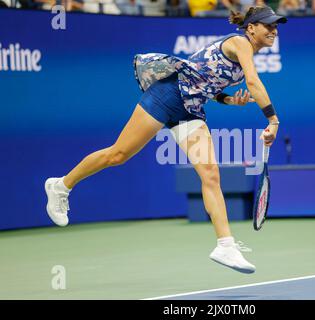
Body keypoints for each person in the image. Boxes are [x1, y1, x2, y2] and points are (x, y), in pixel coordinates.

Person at [45, 5, 286, 274]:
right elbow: (254, 83)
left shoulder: (243, 57)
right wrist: (272, 120)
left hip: (191, 110)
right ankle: (61, 186)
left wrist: (229, 100)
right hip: (168, 96)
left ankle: (225, 245)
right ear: (251, 27)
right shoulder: (240, 43)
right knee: (118, 155)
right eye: (269, 25)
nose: (274, 30)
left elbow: (207, 82)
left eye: (276, 26)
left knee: (210, 174)